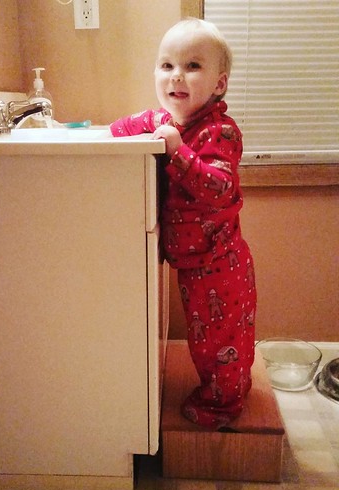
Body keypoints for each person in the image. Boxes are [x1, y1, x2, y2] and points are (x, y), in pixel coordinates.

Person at [110, 18, 256, 430]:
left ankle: (224, 404)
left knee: (224, 341)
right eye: (166, 65)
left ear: (219, 84)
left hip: (222, 264)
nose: (176, 75)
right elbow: (122, 128)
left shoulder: (220, 131)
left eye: (192, 65)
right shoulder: (170, 120)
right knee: (203, 339)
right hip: (195, 263)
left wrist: (178, 153)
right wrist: (104, 133)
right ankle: (220, 390)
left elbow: (221, 188)